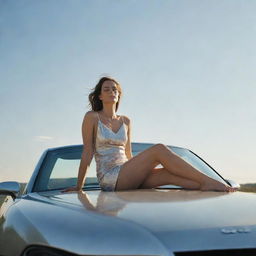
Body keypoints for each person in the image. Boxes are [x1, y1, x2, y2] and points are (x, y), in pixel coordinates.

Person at [63, 76, 236, 193]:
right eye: (107, 89)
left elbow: (128, 154)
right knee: (159, 149)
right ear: (99, 96)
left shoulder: (126, 121)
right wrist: (79, 187)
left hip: (127, 173)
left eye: (115, 89)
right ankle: (209, 181)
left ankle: (211, 188)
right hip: (110, 177)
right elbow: (88, 152)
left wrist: (141, 169)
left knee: (169, 175)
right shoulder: (92, 117)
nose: (111, 92)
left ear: (119, 94)